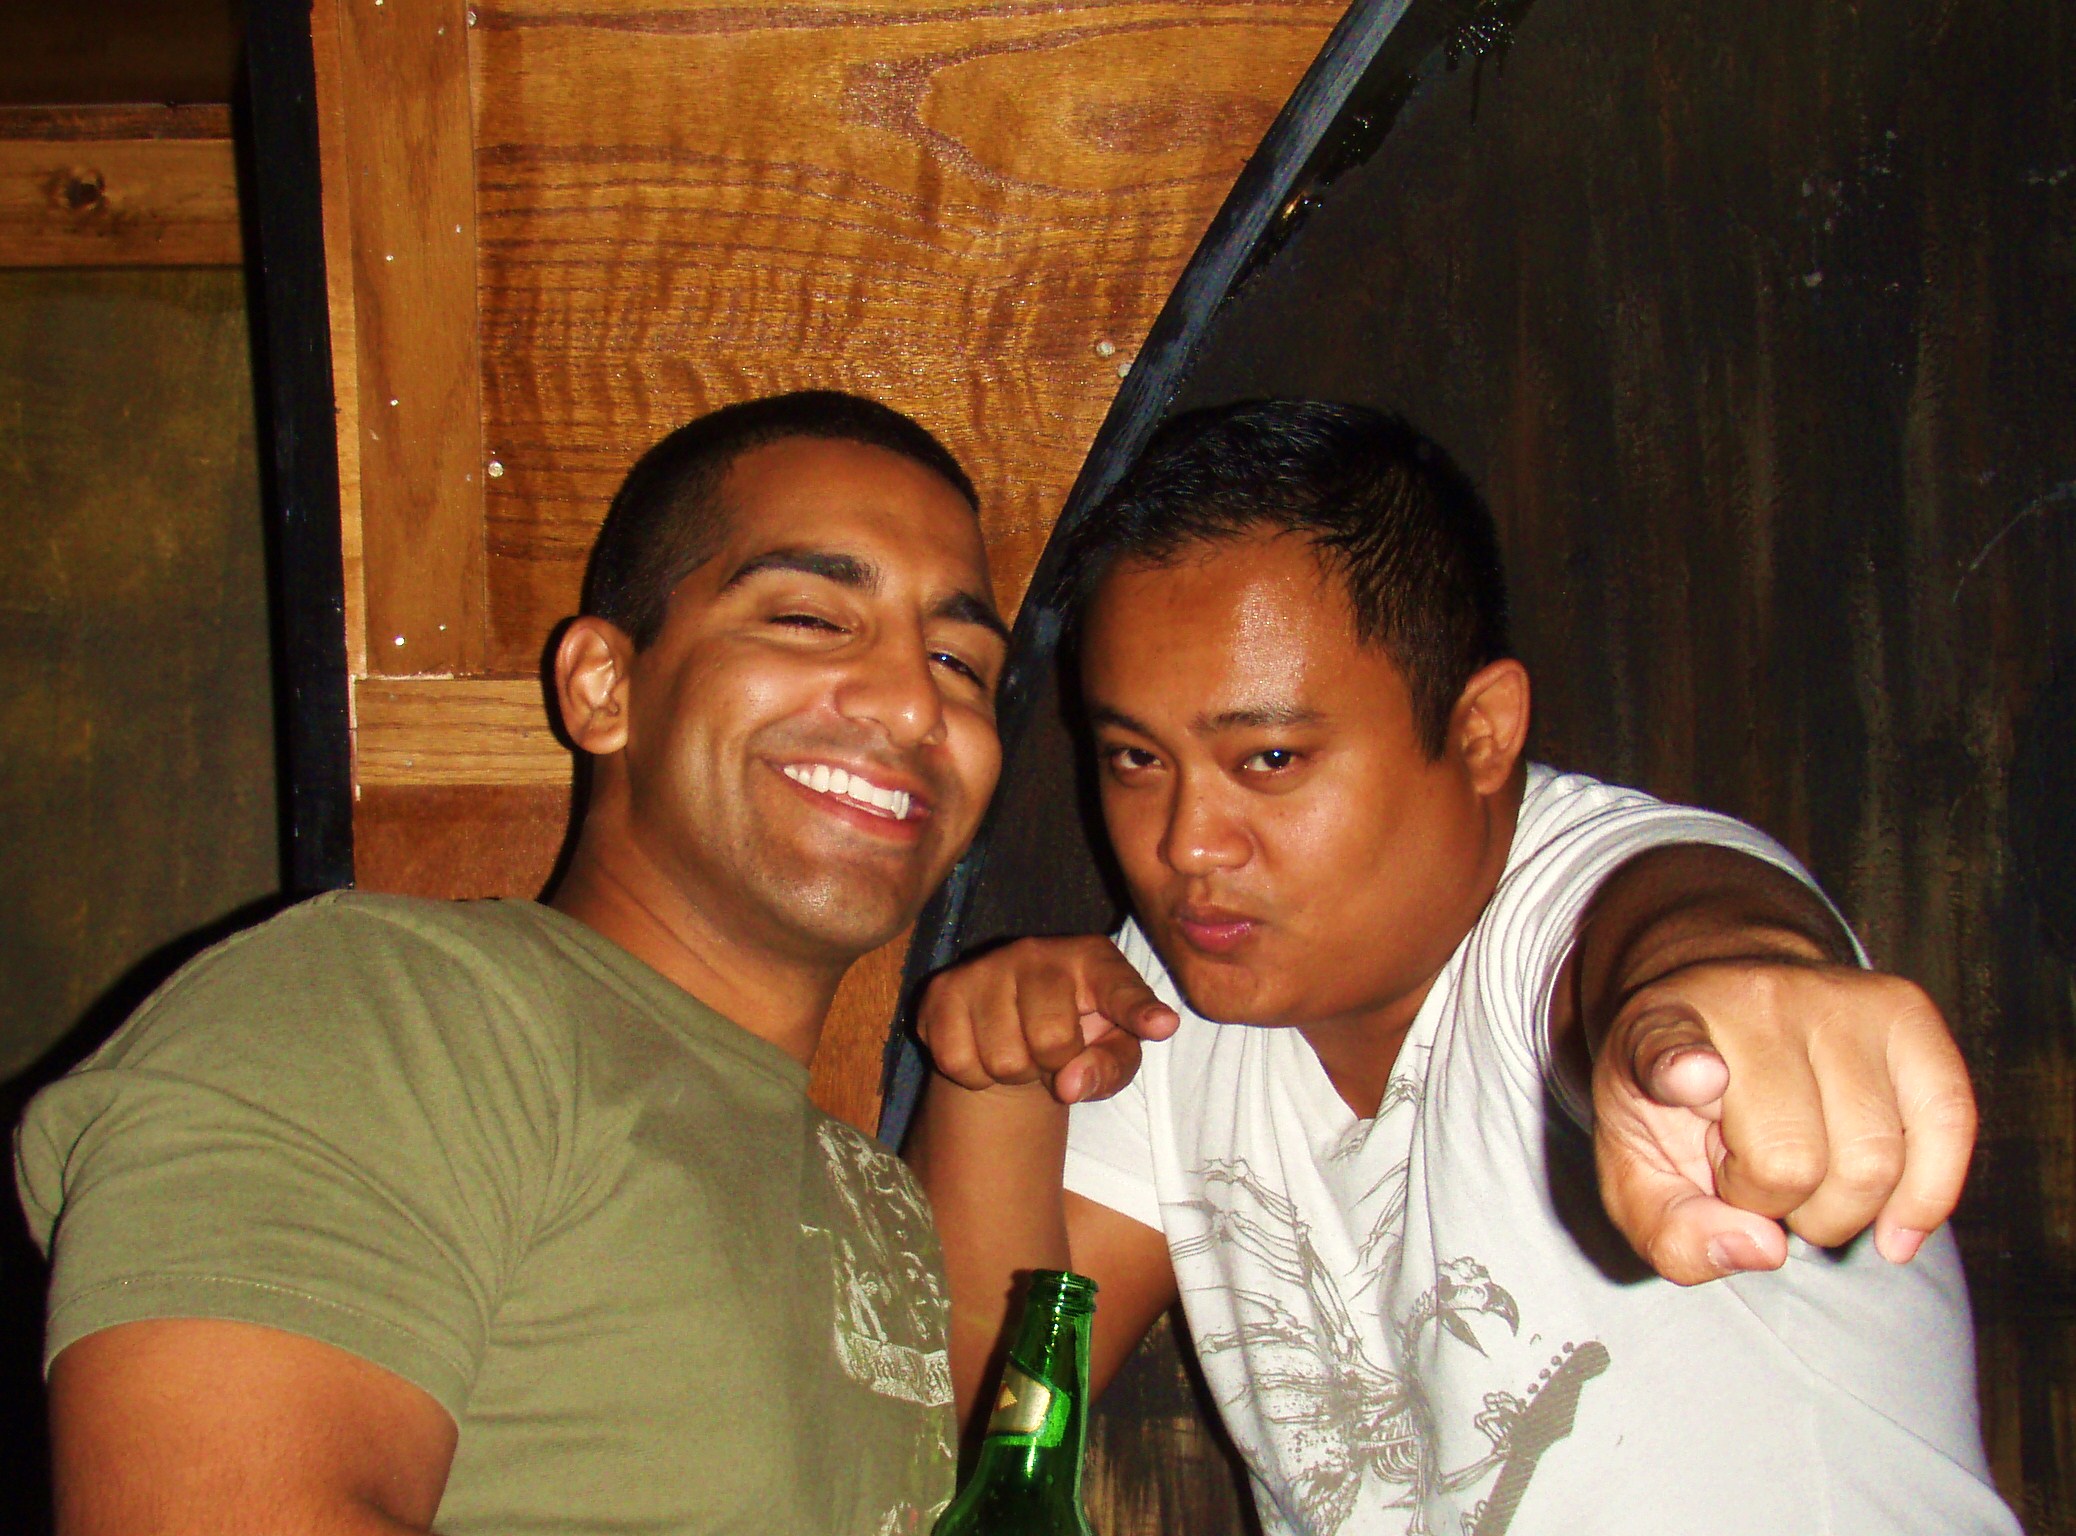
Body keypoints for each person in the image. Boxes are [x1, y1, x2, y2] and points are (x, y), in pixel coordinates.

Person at [909, 400, 2016, 1534]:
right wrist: (1002, 1075)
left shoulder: (1587, 899)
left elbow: (1683, 929)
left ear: (1481, 731)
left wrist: (1738, 990)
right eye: (1136, 758)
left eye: (1270, 757)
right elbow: (962, 1424)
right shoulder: (1178, 990)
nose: (1188, 844)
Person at [14, 392, 1014, 1535]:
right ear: (604, 688)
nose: (912, 702)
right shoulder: (389, 1013)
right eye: (808, 618)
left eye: (959, 661)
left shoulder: (863, 1189)